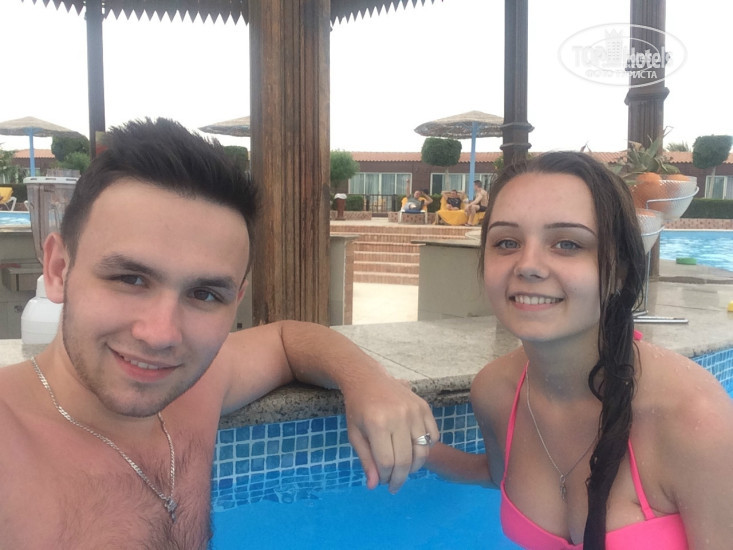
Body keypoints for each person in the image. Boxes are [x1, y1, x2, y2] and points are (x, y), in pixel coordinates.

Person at [0, 118, 439, 549]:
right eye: (130, 279)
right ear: (58, 270)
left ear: (236, 298)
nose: (161, 335)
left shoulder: (196, 388)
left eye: (204, 294)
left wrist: (368, 381)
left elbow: (286, 340)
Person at [426, 152, 733, 549]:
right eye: (507, 242)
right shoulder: (497, 391)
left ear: (621, 269)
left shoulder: (694, 419)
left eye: (568, 243)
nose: (528, 265)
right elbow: (494, 475)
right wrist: (415, 444)